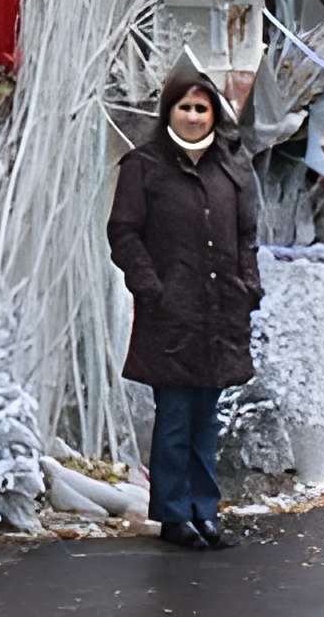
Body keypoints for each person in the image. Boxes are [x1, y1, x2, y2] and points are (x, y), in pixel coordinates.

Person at [107, 70, 262, 550]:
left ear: (213, 113)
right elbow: (124, 232)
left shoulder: (230, 168)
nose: (193, 117)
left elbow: (246, 236)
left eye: (201, 108)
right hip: (171, 311)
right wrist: (150, 286)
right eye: (184, 107)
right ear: (169, 112)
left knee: (205, 417)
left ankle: (205, 509)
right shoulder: (145, 166)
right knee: (174, 414)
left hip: (219, 310)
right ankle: (174, 514)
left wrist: (248, 285)